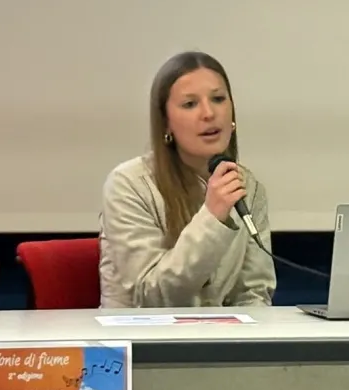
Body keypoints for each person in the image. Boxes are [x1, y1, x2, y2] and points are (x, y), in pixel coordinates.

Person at [98, 51, 276, 308]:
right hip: (142, 331)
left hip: (218, 333)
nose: (209, 113)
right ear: (166, 123)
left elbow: (253, 293)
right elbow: (151, 296)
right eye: (190, 104)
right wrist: (213, 218)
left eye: (218, 99)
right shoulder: (128, 185)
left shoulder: (247, 186)